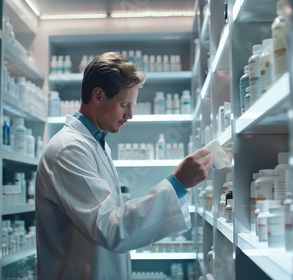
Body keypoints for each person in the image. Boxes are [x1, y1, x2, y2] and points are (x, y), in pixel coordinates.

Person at [35, 52, 212, 279]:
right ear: (98, 96)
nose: (130, 115)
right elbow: (111, 228)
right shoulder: (69, 150)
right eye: (124, 104)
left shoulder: (96, 144)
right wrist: (177, 184)